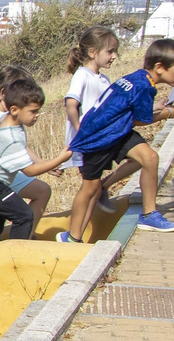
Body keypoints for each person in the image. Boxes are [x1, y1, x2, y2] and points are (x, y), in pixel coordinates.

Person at [65, 39, 174, 238]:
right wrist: (168, 112)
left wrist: (163, 110)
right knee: (90, 188)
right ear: (160, 67)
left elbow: (132, 115)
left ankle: (149, 214)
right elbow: (141, 120)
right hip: (98, 139)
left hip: (117, 133)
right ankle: (72, 237)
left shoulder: (138, 78)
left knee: (149, 158)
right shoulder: (145, 86)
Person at [0, 77, 75, 248]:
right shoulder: (12, 137)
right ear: (14, 109)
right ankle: (16, 257)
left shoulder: (2, 119)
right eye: (33, 111)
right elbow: (30, 170)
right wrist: (60, 159)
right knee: (24, 216)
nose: (37, 116)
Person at [57, 26, 133, 240]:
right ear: (92, 52)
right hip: (89, 143)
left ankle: (76, 236)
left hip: (102, 140)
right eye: (110, 51)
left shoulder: (104, 80)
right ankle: (73, 236)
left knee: (94, 189)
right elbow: (71, 104)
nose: (114, 56)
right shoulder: (82, 75)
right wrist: (81, 132)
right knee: (90, 188)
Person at [0, 65, 53, 231]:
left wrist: (44, 163)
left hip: (5, 174)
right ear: (3, 93)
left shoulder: (7, 116)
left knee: (42, 191)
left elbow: (18, 146)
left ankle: (27, 237)